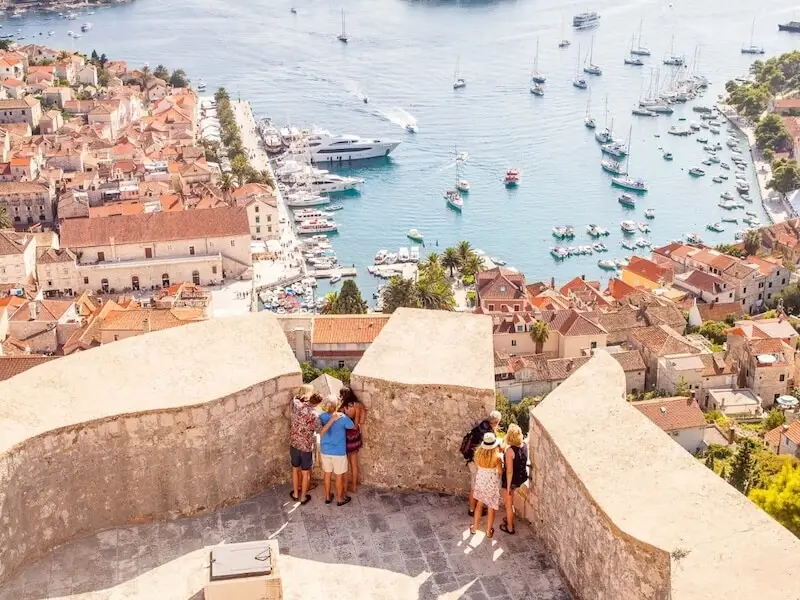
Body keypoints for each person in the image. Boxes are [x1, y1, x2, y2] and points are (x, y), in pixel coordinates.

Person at [463, 410, 501, 516]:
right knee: (476, 486)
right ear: (496, 422)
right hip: (478, 462)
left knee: (474, 484)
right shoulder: (489, 433)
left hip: (470, 460)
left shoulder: (481, 426)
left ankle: (473, 509)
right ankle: (474, 510)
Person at [318, 398, 355, 506]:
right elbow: (352, 426)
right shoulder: (342, 417)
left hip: (325, 451)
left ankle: (328, 497)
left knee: (327, 474)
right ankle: (340, 499)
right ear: (337, 406)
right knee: (339, 476)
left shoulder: (322, 416)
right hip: (338, 452)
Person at [289, 386, 321, 504]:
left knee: (295, 468)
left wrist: (301, 398)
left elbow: (294, 399)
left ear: (309, 399)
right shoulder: (315, 415)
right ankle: (303, 497)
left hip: (294, 443)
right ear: (317, 404)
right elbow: (318, 430)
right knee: (305, 471)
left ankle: (295, 493)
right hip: (306, 447)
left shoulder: (298, 406)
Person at [470, 432, 504, 538]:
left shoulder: (478, 454)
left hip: (480, 481)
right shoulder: (497, 457)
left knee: (479, 504)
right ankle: (489, 531)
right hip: (491, 484)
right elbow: (499, 471)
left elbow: (477, 466)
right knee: (490, 507)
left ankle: (474, 528)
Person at [499, 424, 528, 535]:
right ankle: (509, 518)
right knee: (511, 501)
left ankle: (510, 527)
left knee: (508, 503)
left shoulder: (510, 451)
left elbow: (509, 472)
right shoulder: (524, 445)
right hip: (522, 477)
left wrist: (508, 487)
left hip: (512, 480)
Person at [339, 387, 367, 493]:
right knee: (354, 463)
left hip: (344, 435)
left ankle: (344, 487)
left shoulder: (343, 407)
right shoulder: (358, 405)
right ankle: (354, 486)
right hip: (354, 435)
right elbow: (361, 421)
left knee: (344, 463)